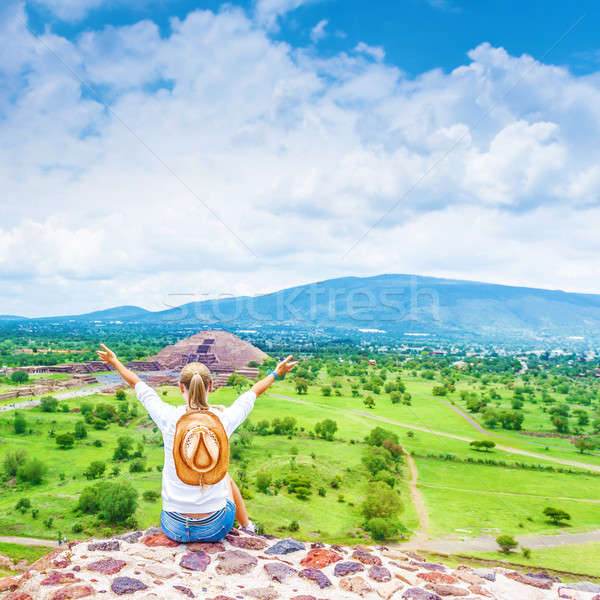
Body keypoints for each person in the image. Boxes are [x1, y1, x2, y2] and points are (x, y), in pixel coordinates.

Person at [97, 344, 297, 542]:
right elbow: (252, 393)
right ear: (211, 386)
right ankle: (248, 527)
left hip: (174, 527)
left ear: (180, 386)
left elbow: (138, 385)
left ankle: (242, 526)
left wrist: (114, 361)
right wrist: (276, 372)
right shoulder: (222, 419)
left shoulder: (168, 417)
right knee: (224, 475)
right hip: (216, 528)